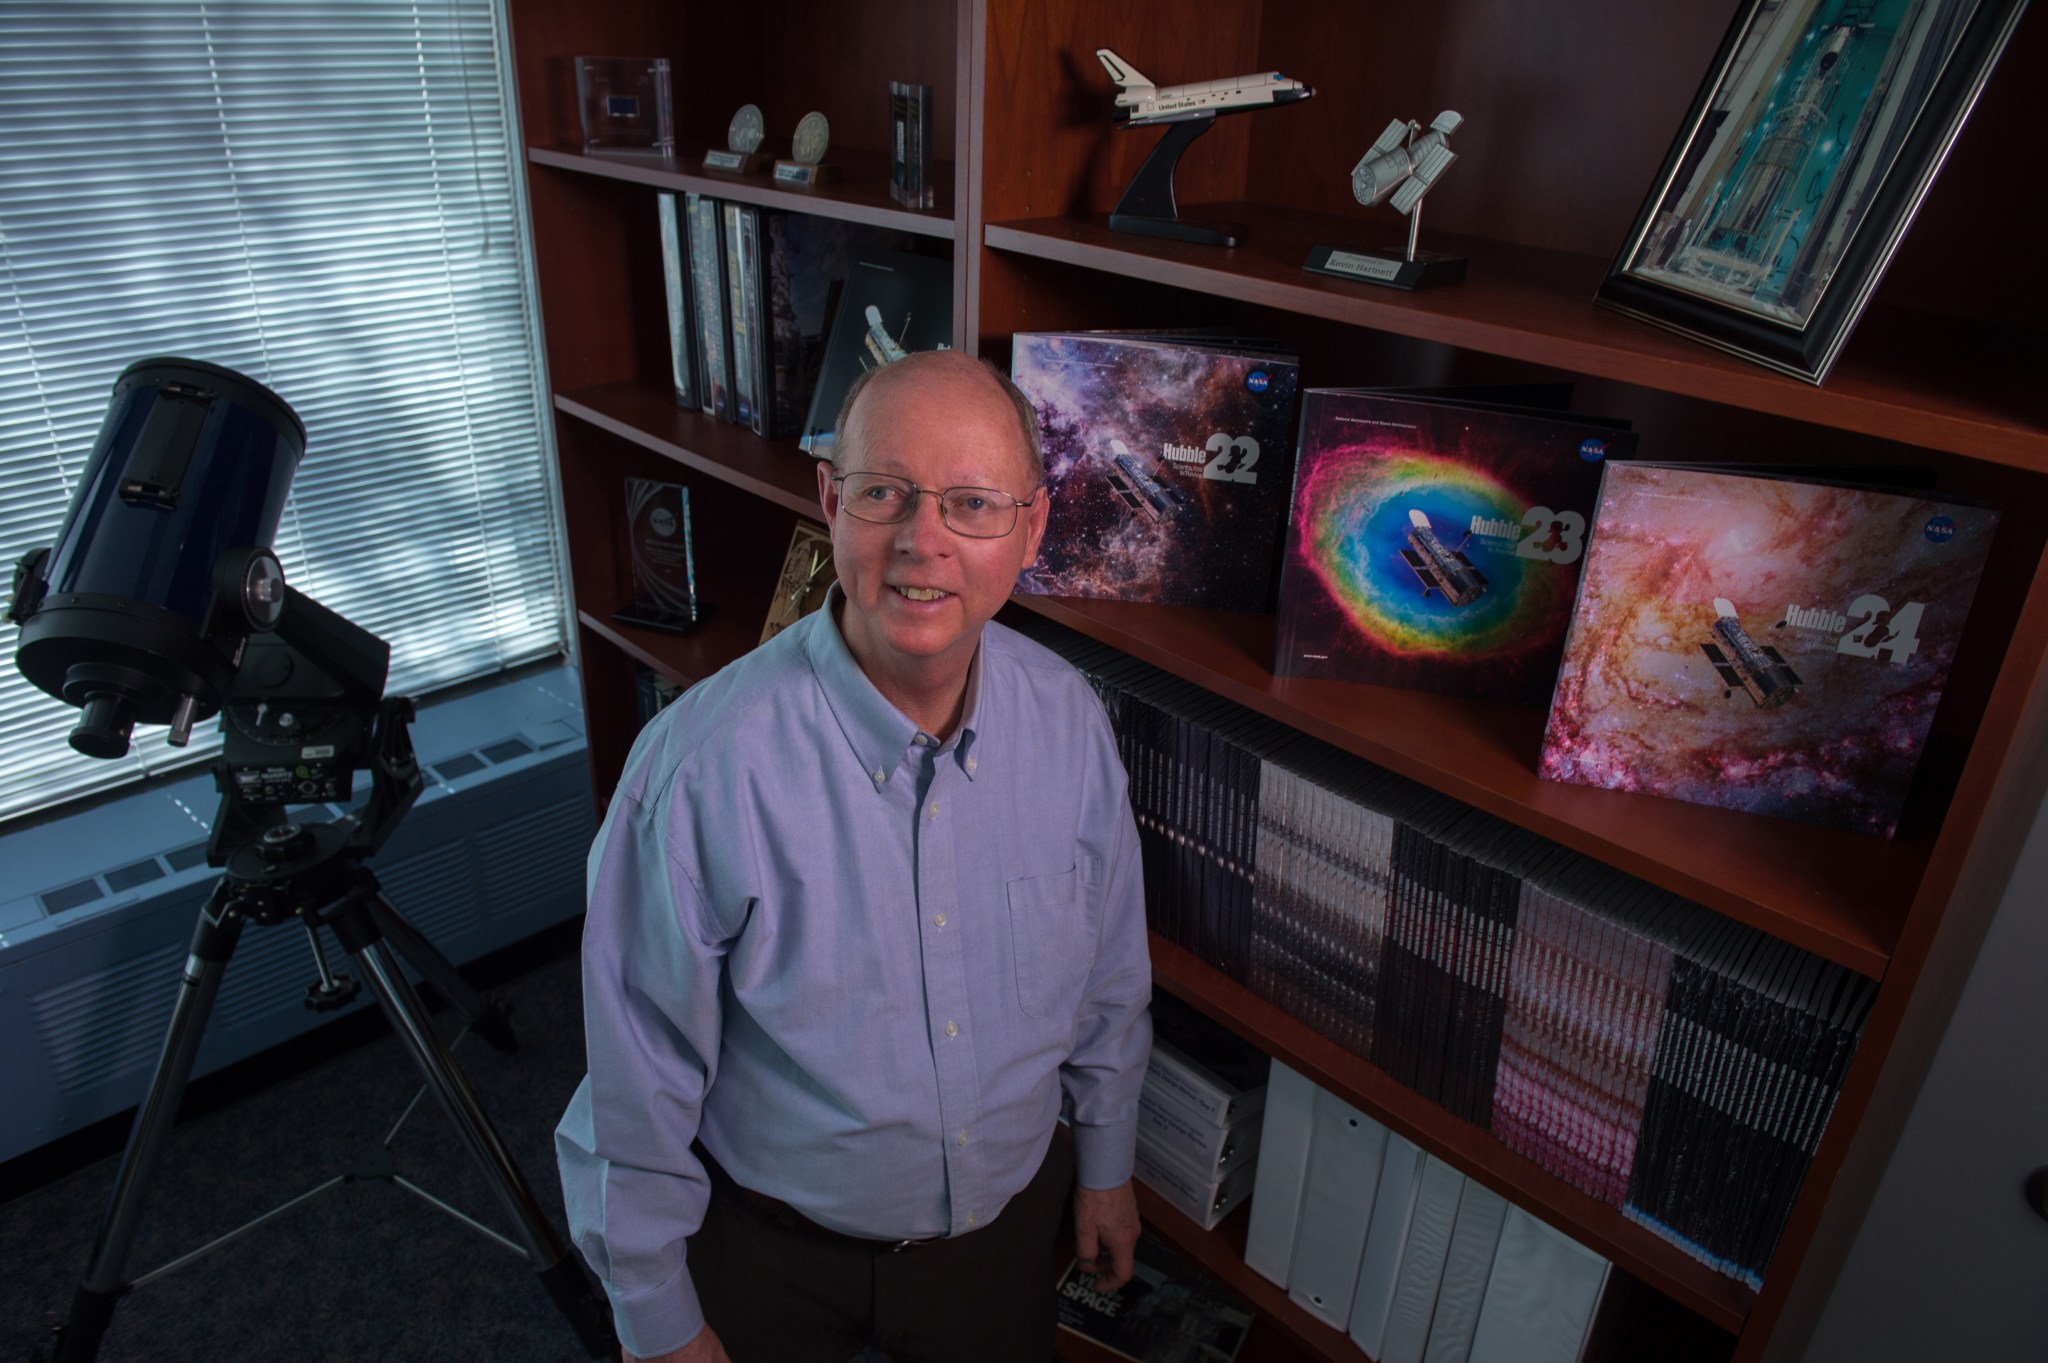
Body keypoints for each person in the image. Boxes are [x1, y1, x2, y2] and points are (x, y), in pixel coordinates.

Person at [556, 349, 1153, 1363]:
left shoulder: (1067, 722)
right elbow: (636, 1070)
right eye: (886, 493)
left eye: (970, 503)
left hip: (998, 1239)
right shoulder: (700, 767)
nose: (924, 542)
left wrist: (1105, 1161)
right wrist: (656, 1315)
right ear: (831, 501)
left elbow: (1106, 976)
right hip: (770, 1254)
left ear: (1030, 526)